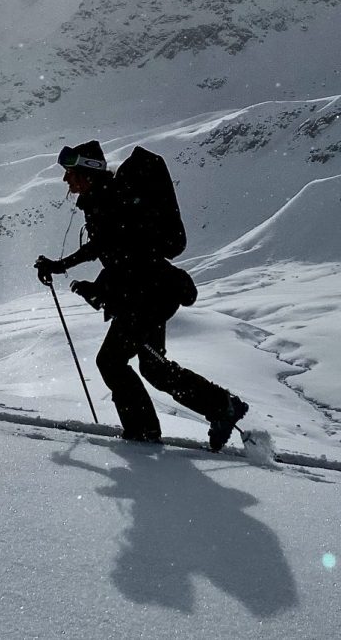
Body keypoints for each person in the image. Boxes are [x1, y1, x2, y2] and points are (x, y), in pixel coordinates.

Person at [35, 139, 248, 450]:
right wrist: (95, 285)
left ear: (88, 171)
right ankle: (221, 406)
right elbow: (120, 254)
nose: (66, 180)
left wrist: (62, 266)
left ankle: (144, 433)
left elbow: (107, 248)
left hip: (147, 296)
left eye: (70, 172)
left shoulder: (107, 199)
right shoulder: (108, 198)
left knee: (110, 361)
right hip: (152, 292)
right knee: (153, 367)